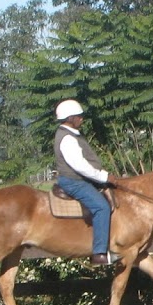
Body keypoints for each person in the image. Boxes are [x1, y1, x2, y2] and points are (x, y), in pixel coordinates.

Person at [53, 99, 121, 265]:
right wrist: (105, 177)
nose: (81, 119)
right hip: (73, 181)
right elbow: (80, 166)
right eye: (79, 116)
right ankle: (99, 254)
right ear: (70, 118)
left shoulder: (71, 135)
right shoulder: (68, 138)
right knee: (101, 207)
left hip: (78, 179)